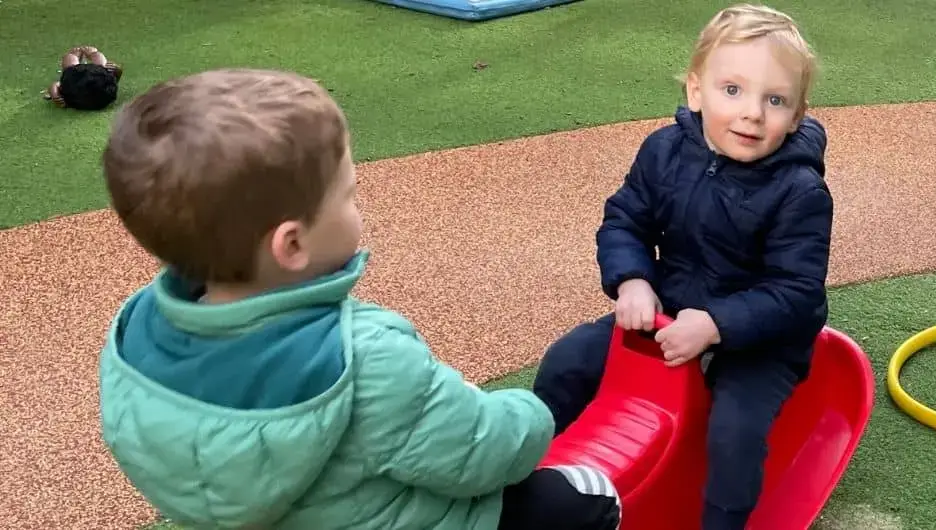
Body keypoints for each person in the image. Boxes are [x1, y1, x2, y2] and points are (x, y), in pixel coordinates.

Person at [95, 68, 620, 530]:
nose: (356, 205)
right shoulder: (364, 357)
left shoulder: (136, 334)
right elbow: (483, 453)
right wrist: (527, 411)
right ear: (293, 244)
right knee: (583, 499)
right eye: (348, 195)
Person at [535, 4, 833, 529]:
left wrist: (717, 324)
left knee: (735, 429)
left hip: (761, 341)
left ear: (797, 115)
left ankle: (723, 521)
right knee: (569, 360)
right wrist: (632, 281)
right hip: (669, 309)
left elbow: (796, 292)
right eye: (732, 90)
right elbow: (625, 219)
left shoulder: (800, 190)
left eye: (776, 100)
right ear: (696, 91)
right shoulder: (665, 151)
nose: (752, 113)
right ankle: (531, 474)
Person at [43, 45, 122, 110]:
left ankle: (74, 55)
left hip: (77, 91)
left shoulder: (69, 89)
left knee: (70, 68)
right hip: (97, 89)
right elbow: (113, 81)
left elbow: (54, 85)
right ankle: (93, 53)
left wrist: (55, 95)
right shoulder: (105, 93)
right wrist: (117, 70)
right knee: (103, 67)